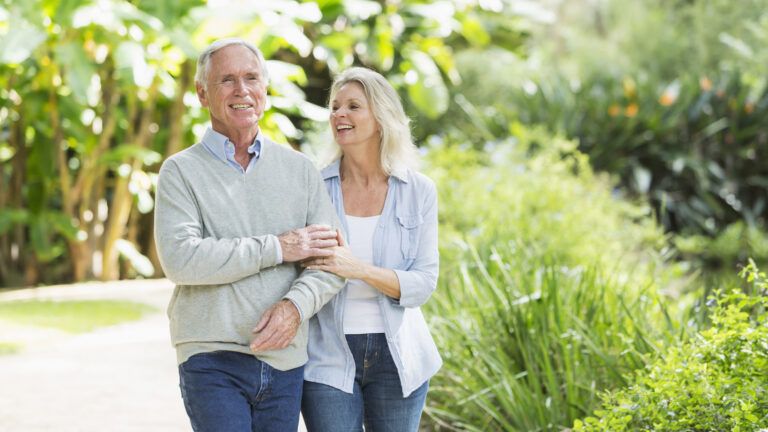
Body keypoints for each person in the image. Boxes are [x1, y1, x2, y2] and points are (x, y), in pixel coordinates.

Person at [153, 38, 345, 432]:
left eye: (251, 78)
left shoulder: (300, 170)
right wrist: (279, 247)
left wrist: (294, 308)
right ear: (202, 93)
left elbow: (330, 263)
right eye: (226, 80)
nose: (242, 90)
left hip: (284, 359)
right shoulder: (180, 172)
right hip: (211, 355)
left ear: (265, 88)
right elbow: (182, 260)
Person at [300, 67, 442, 431]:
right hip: (328, 354)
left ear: (380, 118)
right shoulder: (314, 186)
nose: (339, 115)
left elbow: (423, 283)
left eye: (353, 106)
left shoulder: (418, 190)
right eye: (334, 107)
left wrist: (358, 269)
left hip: (399, 358)